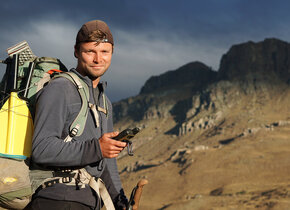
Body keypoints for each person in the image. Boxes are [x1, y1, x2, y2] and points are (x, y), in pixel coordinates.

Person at [25, 20, 128, 210]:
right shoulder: (60, 88)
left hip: (88, 202)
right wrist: (97, 148)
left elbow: (106, 165)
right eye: (90, 51)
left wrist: (120, 202)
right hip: (55, 200)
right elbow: (42, 148)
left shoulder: (105, 103)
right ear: (76, 51)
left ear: (112, 52)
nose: (98, 59)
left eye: (104, 52)